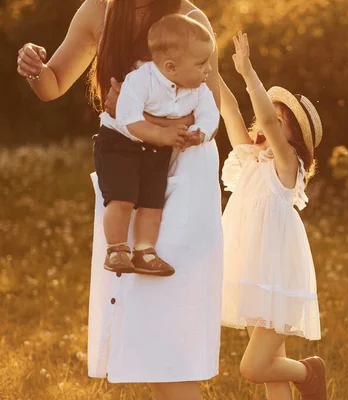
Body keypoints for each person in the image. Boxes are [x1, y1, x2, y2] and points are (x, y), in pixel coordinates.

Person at [16, 1, 222, 399]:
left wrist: (129, 115)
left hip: (183, 176)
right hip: (127, 176)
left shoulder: (189, 19)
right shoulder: (99, 11)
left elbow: (203, 118)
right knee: (144, 332)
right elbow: (53, 84)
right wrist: (35, 70)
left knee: (166, 335)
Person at [219, 31, 326, 400]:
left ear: (292, 139)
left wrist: (249, 73)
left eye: (280, 122)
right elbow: (230, 108)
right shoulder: (250, 162)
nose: (268, 124)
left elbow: (261, 114)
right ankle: (300, 376)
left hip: (277, 277)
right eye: (271, 118)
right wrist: (205, 65)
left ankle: (310, 371)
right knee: (269, 374)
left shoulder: (286, 165)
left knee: (253, 367)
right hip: (254, 274)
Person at [96, 13, 219, 277]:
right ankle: (116, 249)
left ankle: (144, 251)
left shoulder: (198, 89)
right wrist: (163, 135)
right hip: (121, 143)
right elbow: (128, 117)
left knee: (152, 205)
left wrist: (200, 133)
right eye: (201, 64)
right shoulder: (141, 79)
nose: (208, 69)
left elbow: (210, 114)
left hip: (155, 152)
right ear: (171, 67)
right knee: (122, 198)